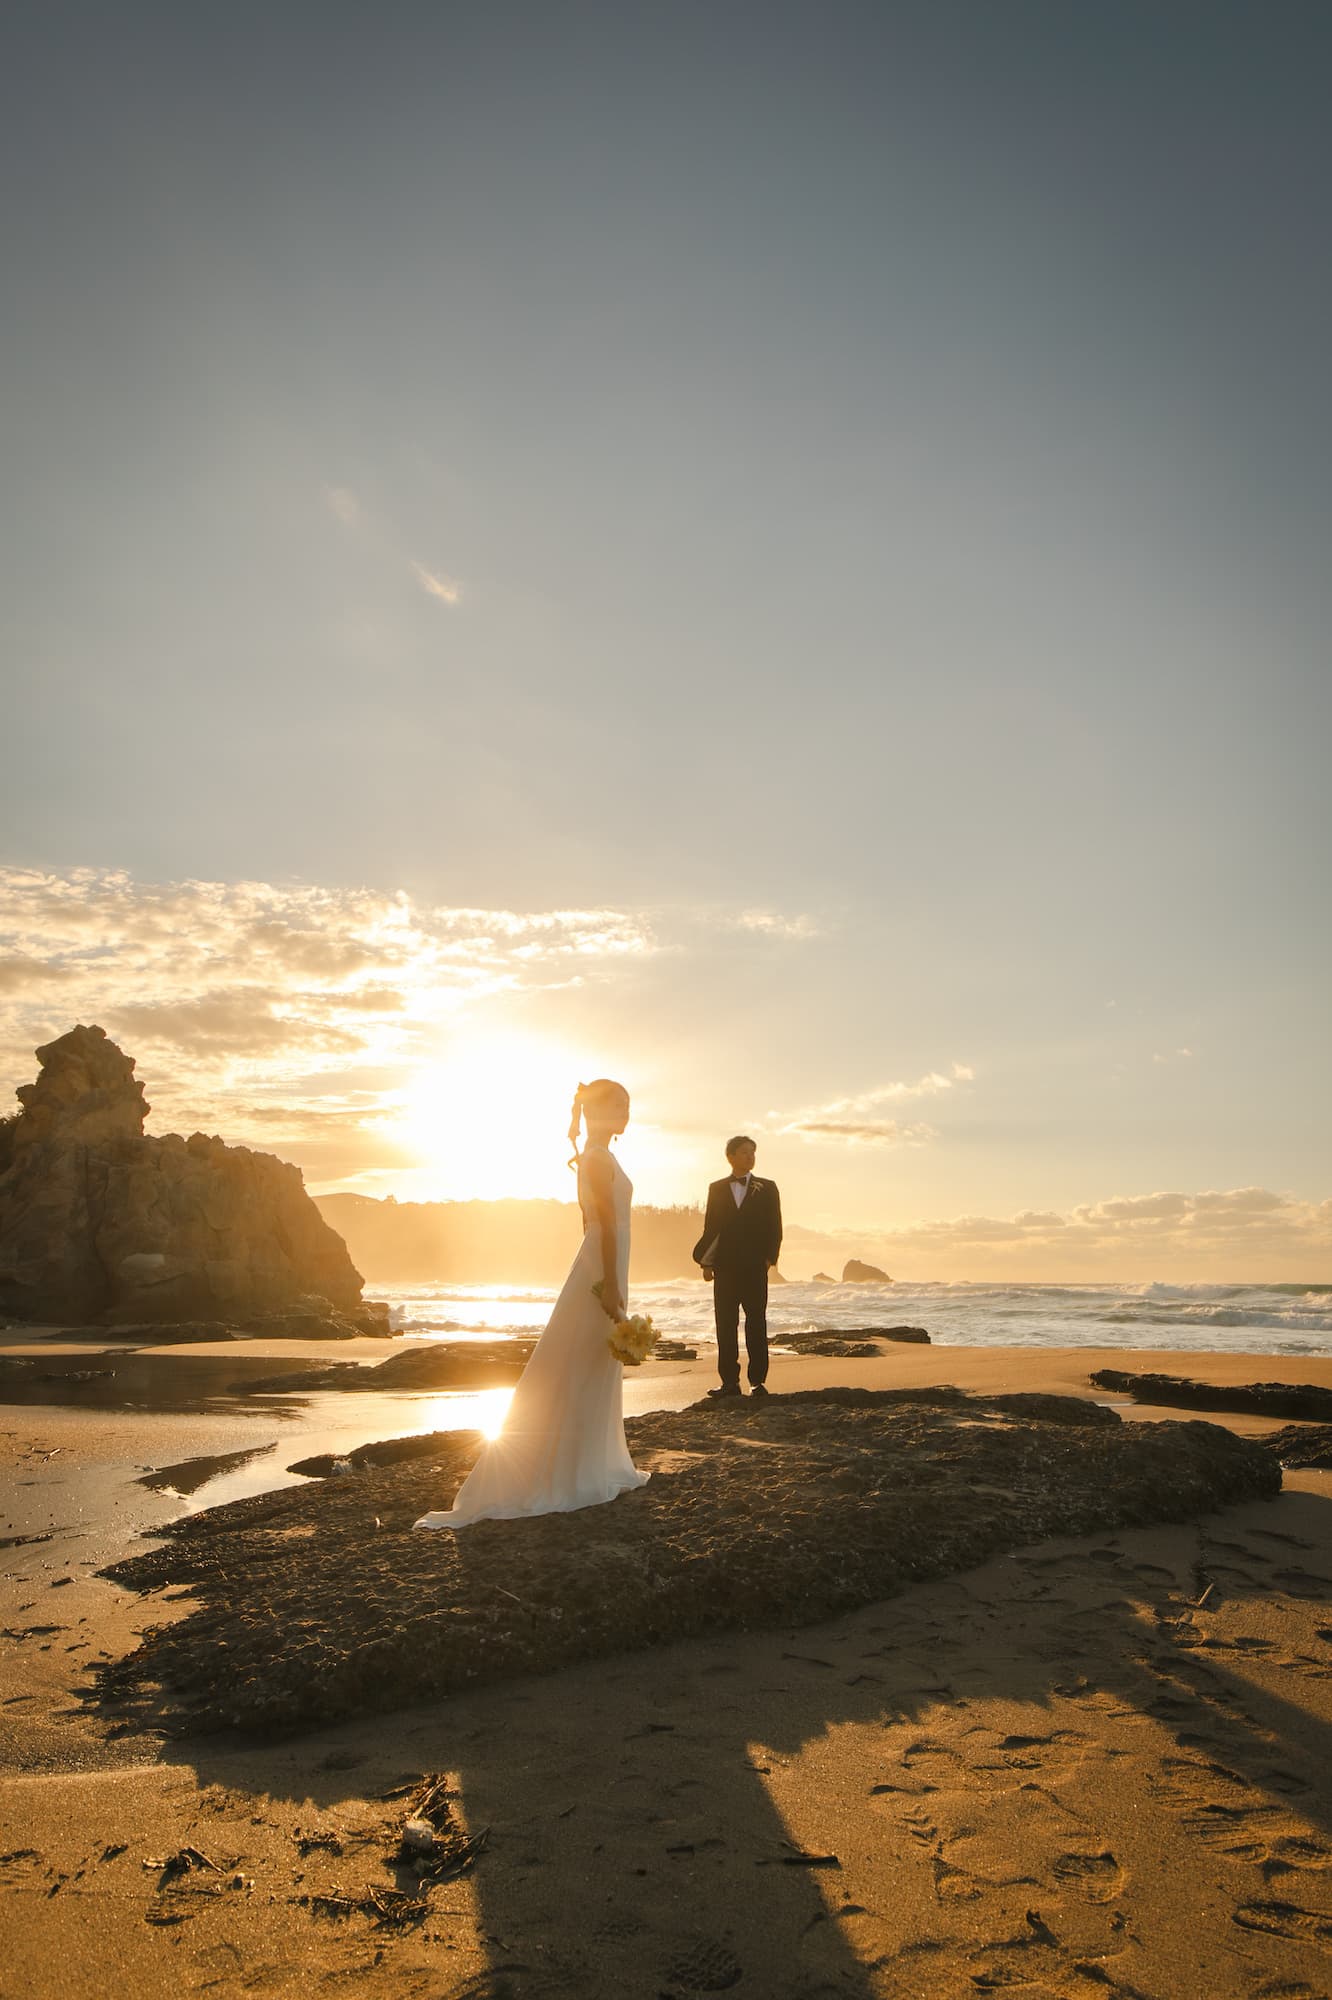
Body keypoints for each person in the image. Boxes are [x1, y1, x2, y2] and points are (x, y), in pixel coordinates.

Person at [414, 1078, 649, 1528]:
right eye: (619, 1105)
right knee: (582, 1361)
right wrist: (612, 1284)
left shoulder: (600, 1157)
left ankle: (591, 1464)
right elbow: (602, 1223)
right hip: (604, 1266)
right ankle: (576, 1472)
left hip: (606, 1262)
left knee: (592, 1362)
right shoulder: (597, 1159)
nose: (626, 1113)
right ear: (598, 1111)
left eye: (628, 1105)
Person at [692, 1135, 782, 1398]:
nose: (750, 1157)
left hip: (755, 1267)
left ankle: (757, 1381)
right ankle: (729, 1382)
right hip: (725, 1267)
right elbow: (712, 1228)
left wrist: (769, 1259)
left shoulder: (767, 1187)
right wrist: (706, 1264)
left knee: (756, 1323)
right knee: (725, 1324)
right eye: (744, 1152)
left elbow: (775, 1227)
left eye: (752, 1152)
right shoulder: (717, 1188)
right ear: (730, 1156)